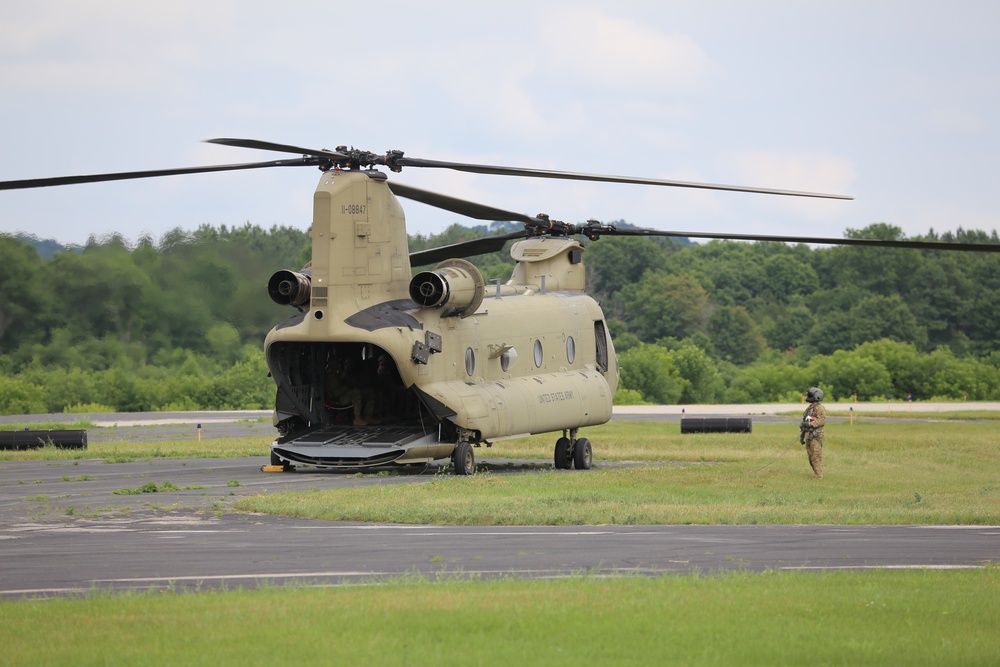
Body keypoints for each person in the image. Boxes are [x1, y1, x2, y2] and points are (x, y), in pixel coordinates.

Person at [800, 386, 826, 478]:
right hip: (808, 435)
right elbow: (805, 421)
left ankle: (819, 476)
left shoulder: (820, 408)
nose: (808, 396)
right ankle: (816, 474)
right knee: (811, 457)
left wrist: (810, 425)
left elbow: (821, 421)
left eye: (810, 394)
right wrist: (802, 435)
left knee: (816, 456)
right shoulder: (809, 408)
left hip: (816, 436)